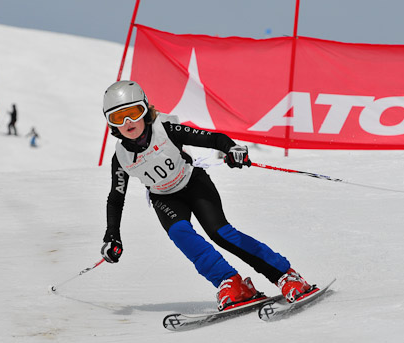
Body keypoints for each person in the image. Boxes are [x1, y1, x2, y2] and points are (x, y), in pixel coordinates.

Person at [100, 80, 316, 311]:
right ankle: (232, 284)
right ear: (111, 124)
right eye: (118, 117)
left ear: (145, 110)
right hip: (164, 198)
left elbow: (214, 139)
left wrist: (232, 150)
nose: (128, 122)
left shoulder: (167, 130)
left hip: (194, 184)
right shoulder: (120, 158)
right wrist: (112, 235)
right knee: (182, 236)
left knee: (221, 233)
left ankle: (286, 275)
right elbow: (116, 197)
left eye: (133, 113)